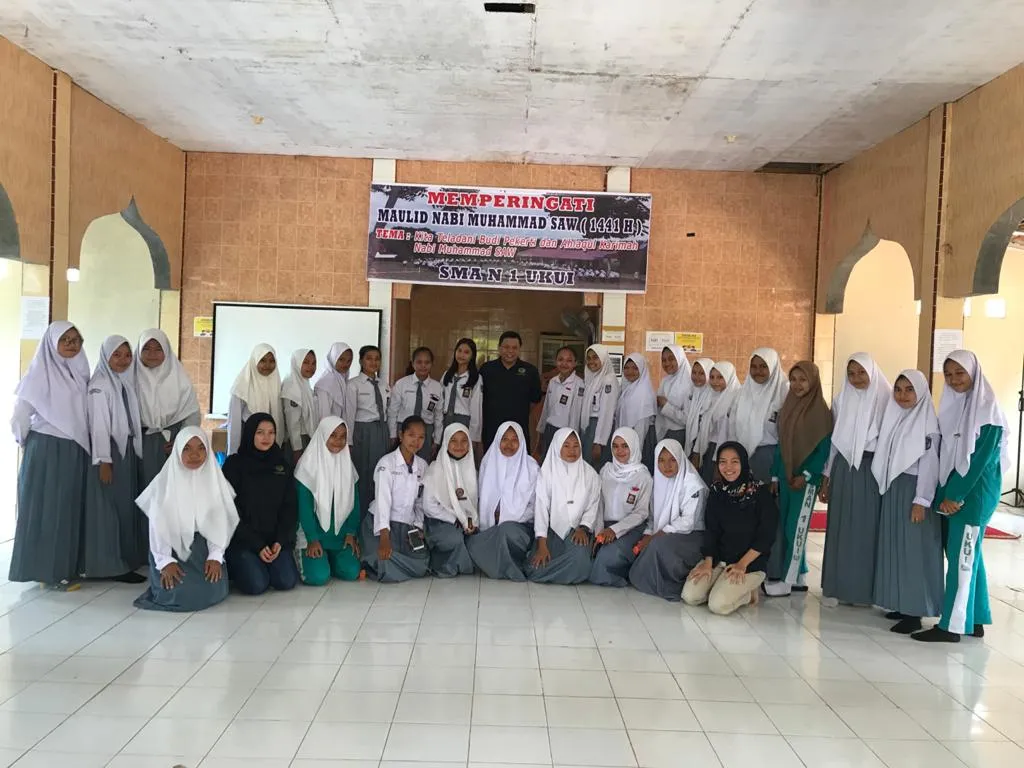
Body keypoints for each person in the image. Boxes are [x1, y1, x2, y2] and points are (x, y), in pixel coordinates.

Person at [913, 351, 1009, 643]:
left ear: (974, 373)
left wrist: (955, 495)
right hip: (957, 491)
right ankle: (975, 618)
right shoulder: (954, 406)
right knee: (968, 554)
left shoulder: (988, 411)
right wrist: (944, 492)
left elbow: (980, 461)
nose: (954, 380)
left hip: (973, 494)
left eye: (960, 373)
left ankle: (951, 626)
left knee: (962, 558)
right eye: (949, 374)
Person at [9, 321, 91, 589]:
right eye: (64, 340)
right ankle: (48, 573)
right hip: (46, 449)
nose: (71, 345)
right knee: (46, 512)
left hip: (73, 449)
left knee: (67, 510)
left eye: (76, 340)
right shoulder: (38, 374)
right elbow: (20, 415)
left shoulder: (79, 372)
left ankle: (63, 568)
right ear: (51, 343)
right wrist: (24, 441)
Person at [871, 370, 944, 634]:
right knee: (896, 547)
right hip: (896, 488)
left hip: (915, 492)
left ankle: (916, 611)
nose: (902, 395)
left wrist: (921, 500)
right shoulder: (896, 419)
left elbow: (930, 467)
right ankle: (901, 603)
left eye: (909, 389)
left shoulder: (928, 426)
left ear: (921, 392)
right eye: (898, 389)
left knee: (914, 551)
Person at [134, 427, 238, 612]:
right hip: (171, 547)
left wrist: (215, 555)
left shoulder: (214, 481)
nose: (194, 455)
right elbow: (157, 528)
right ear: (177, 451)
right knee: (180, 594)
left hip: (201, 548)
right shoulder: (164, 484)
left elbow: (219, 524)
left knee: (213, 589)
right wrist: (165, 561)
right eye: (187, 448)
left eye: (201, 448)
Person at [819, 353, 890, 607]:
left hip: (871, 470)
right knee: (840, 528)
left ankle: (865, 591)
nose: (856, 378)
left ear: (872, 372)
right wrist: (827, 476)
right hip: (844, 469)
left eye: (862, 372)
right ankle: (839, 587)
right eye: (851, 373)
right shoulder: (842, 400)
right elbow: (834, 443)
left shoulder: (886, 400)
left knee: (866, 530)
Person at [81, 335, 147, 583]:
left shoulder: (122, 382)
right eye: (116, 355)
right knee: (108, 510)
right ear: (105, 356)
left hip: (123, 450)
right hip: (108, 453)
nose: (123, 360)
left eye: (127, 355)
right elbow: (98, 426)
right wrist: (104, 460)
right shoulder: (99, 385)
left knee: (123, 507)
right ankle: (109, 566)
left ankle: (124, 561)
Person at [683, 442, 778, 614]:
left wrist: (742, 564)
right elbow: (712, 530)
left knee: (718, 605)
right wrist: (707, 563)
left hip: (749, 564)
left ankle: (749, 594)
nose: (728, 468)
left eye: (734, 462)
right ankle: (721, 586)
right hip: (720, 559)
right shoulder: (717, 491)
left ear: (743, 463)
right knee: (690, 596)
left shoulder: (760, 493)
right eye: (723, 462)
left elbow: (766, 536)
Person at [764, 361, 833, 597]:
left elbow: (823, 451)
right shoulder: (789, 406)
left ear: (813, 381)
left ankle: (788, 581)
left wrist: (806, 476)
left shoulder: (820, 412)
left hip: (805, 482)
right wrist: (776, 475)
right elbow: (781, 444)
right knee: (787, 526)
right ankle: (800, 573)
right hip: (785, 477)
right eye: (793, 379)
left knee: (796, 528)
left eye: (803, 379)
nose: (797, 385)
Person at [221, 414, 299, 595]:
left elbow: (289, 507)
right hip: (244, 540)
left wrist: (280, 540)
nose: (266, 438)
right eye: (260, 432)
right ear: (250, 434)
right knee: (256, 585)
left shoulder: (281, 464)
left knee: (286, 581)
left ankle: (263, 564)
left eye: (271, 433)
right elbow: (229, 510)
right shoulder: (234, 465)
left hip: (274, 540)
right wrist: (256, 544)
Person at [629, 438, 708, 600]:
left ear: (680, 458)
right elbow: (653, 517)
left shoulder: (693, 484)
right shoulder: (657, 481)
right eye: (662, 460)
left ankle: (673, 584)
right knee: (644, 544)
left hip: (693, 536)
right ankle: (651, 579)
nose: (667, 465)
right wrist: (647, 534)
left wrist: (656, 536)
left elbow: (688, 523)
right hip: (667, 532)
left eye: (672, 459)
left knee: (659, 545)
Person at [526, 428, 600, 584]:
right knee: (534, 569)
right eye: (566, 446)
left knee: (581, 562)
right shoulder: (547, 473)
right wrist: (542, 544)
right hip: (551, 532)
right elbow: (541, 509)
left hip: (578, 531)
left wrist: (583, 528)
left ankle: (556, 571)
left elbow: (593, 505)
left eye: (576, 446)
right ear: (557, 446)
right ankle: (561, 571)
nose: (572, 450)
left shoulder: (591, 474)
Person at [466, 421, 539, 580]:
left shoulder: (531, 467)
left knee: (505, 532)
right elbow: (480, 497)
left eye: (514, 440)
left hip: (521, 526)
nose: (509, 444)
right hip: (491, 525)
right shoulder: (488, 461)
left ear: (521, 441)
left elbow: (535, 506)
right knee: (472, 543)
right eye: (505, 439)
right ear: (498, 439)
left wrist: (508, 517)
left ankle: (509, 568)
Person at [294, 417, 363, 585]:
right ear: (323, 435)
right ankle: (306, 556)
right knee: (318, 577)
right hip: (313, 535)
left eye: (343, 436)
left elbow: (355, 504)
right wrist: (312, 539)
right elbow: (304, 508)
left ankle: (328, 558)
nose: (338, 441)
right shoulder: (307, 467)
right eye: (333, 435)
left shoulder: (347, 465)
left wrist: (351, 533)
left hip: (340, 536)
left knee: (351, 572)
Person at [361, 415, 430, 582]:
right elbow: (382, 501)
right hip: (381, 525)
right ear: (401, 435)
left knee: (423, 563)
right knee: (383, 556)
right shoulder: (386, 463)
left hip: (406, 526)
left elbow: (421, 502)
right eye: (411, 435)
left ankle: (386, 567)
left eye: (421, 437)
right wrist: (384, 538)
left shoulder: (422, 466)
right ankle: (386, 565)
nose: (416, 441)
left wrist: (418, 526)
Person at [134, 328, 201, 489]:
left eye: (158, 349)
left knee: (171, 488)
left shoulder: (180, 380)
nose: (152, 354)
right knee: (142, 489)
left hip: (171, 442)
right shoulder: (130, 379)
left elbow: (192, 414)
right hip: (138, 444)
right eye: (146, 349)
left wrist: (182, 442)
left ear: (166, 351)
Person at [589, 427, 652, 587]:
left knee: (608, 556)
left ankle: (625, 575)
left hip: (631, 528)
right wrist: (598, 532)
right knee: (587, 553)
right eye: (615, 446)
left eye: (625, 446)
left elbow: (641, 513)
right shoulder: (606, 470)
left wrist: (615, 530)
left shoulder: (643, 476)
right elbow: (599, 503)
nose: (620, 451)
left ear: (633, 446)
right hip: (604, 526)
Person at [423, 423, 477, 577]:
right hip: (439, 521)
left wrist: (470, 522)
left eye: (464, 441)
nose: (459, 445)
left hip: (464, 522)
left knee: (477, 541)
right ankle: (443, 565)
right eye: (453, 440)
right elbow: (429, 506)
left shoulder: (473, 470)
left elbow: (472, 504)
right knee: (454, 539)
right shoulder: (435, 470)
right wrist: (456, 519)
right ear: (446, 442)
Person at [345, 345, 390, 521]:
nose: (373, 362)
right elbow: (349, 415)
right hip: (362, 431)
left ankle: (376, 517)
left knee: (380, 473)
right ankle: (360, 518)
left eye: (377, 359)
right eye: (369, 358)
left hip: (381, 430)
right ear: (361, 361)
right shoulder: (353, 385)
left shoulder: (384, 384)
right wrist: (349, 442)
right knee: (363, 474)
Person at [730, 348, 789, 481]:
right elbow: (732, 425)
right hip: (743, 455)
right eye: (754, 367)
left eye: (763, 366)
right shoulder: (742, 393)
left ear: (773, 367)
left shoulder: (783, 392)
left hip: (772, 457)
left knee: (767, 493)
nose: (758, 371)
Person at [480, 330, 542, 451]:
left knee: (519, 460)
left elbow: (535, 400)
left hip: (518, 428)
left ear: (519, 350)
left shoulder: (530, 371)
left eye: (514, 348)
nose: (510, 351)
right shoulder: (487, 369)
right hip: (492, 429)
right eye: (506, 347)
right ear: (499, 348)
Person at [227, 343, 282, 455]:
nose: (267, 365)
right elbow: (234, 424)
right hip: (248, 442)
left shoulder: (275, 384)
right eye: (262, 360)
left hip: (270, 443)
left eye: (272, 361)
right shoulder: (241, 387)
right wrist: (233, 453)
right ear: (254, 361)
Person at [389, 346, 443, 461]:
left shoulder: (437, 387)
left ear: (432, 364)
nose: (423, 366)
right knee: (403, 462)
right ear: (413, 364)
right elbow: (392, 412)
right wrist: (393, 434)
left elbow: (438, 416)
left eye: (427, 362)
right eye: (419, 362)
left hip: (426, 432)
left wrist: (437, 440)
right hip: (404, 430)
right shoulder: (401, 384)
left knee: (423, 464)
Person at [692, 362, 740, 486]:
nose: (715, 382)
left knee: (716, 484)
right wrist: (696, 452)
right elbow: (703, 425)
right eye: (712, 377)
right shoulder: (712, 396)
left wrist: (719, 463)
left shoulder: (734, 399)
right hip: (708, 447)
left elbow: (726, 435)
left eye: (720, 377)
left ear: (729, 377)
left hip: (723, 451)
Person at [537, 346, 584, 462]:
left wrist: (572, 437)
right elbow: (546, 409)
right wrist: (541, 431)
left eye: (569, 360)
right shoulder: (553, 381)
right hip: (549, 430)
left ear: (575, 363)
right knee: (547, 461)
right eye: (560, 359)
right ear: (555, 361)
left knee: (563, 463)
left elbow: (576, 414)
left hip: (566, 431)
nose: (564, 363)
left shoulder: (579, 384)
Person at [439, 337, 484, 459]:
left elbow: (476, 408)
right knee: (445, 454)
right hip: (445, 419)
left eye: (466, 352)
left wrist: (474, 436)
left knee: (461, 455)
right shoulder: (447, 374)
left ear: (472, 356)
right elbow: (440, 400)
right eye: (459, 350)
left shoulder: (475, 378)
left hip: (463, 421)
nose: (462, 355)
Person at [616, 353, 658, 470]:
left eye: (635, 368)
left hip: (640, 443)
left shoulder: (643, 393)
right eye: (626, 368)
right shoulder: (628, 389)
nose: (630, 372)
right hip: (628, 441)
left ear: (642, 369)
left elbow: (641, 427)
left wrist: (634, 456)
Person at [580, 344, 620, 469]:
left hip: (600, 429)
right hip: (590, 428)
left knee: (595, 466)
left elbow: (607, 413)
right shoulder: (593, 379)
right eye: (588, 358)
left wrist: (599, 442)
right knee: (587, 465)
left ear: (603, 358)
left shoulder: (608, 380)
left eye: (595, 358)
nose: (591, 361)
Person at [280, 348, 318, 464]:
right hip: (297, 441)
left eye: (313, 363)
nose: (311, 367)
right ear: (297, 363)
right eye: (305, 362)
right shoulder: (291, 386)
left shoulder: (303, 383)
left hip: (306, 437)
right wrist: (297, 449)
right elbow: (292, 422)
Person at [684, 357, 715, 469]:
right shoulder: (693, 391)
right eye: (694, 372)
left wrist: (696, 452)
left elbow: (704, 425)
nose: (696, 377)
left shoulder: (712, 394)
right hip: (692, 441)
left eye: (702, 373)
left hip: (705, 443)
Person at [655, 345, 691, 443]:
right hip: (663, 431)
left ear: (679, 358)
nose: (667, 363)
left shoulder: (689, 383)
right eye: (664, 360)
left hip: (679, 433)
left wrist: (665, 405)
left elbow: (687, 419)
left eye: (671, 359)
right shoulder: (666, 380)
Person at [314, 342, 353, 423]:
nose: (346, 364)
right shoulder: (325, 384)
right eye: (341, 359)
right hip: (331, 428)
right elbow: (324, 415)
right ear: (333, 358)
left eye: (349, 361)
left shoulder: (342, 380)